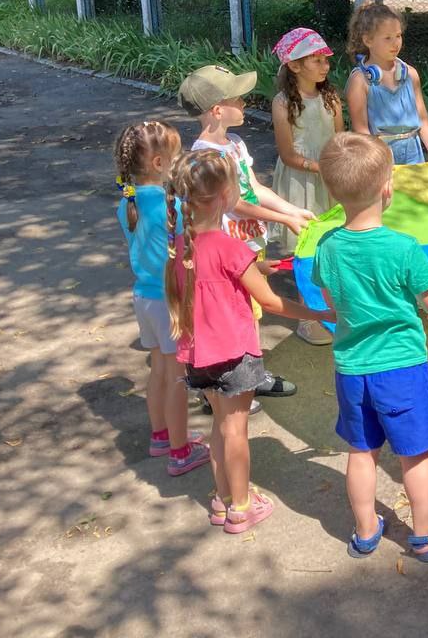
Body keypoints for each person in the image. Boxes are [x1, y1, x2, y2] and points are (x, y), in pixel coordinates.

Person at [313, 132, 428, 561]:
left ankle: (365, 531)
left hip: (351, 369)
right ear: (388, 188)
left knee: (362, 452)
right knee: (414, 454)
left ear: (332, 191)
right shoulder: (403, 248)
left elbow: (331, 300)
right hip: (400, 368)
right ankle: (424, 532)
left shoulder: (328, 247)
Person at [165, 149, 330, 532]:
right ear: (225, 198)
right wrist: (320, 314)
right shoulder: (231, 247)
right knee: (236, 430)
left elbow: (213, 275)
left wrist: (254, 268)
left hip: (198, 356)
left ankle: (224, 500)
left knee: (221, 427)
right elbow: (272, 302)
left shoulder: (181, 248)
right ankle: (242, 506)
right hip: (233, 355)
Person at [179, 64, 310, 402]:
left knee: (251, 311)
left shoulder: (234, 143)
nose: (245, 102)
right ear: (217, 110)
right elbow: (235, 204)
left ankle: (251, 375)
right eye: (238, 98)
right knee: (240, 312)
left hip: (251, 242)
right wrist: (282, 219)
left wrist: (289, 210)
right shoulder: (205, 156)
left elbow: (253, 188)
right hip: (230, 246)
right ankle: (231, 385)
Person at [114, 120, 210, 477]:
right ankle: (181, 450)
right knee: (176, 377)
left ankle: (162, 435)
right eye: (176, 154)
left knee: (158, 369)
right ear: (158, 164)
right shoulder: (171, 206)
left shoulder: (128, 203)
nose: (181, 158)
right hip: (171, 299)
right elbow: (190, 248)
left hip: (144, 297)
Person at [269, 28, 344, 347]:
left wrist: (339, 167)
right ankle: (308, 318)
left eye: (325, 58)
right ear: (295, 66)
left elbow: (339, 139)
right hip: (301, 180)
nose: (325, 65)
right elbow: (288, 154)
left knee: (332, 240)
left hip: (329, 176)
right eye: (316, 60)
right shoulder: (283, 102)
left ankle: (335, 308)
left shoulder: (331, 97)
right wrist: (320, 168)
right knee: (307, 245)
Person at [344, 3, 428, 165]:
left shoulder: (410, 74)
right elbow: (361, 130)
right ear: (368, 40)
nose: (395, 43)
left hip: (414, 153)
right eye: (387, 38)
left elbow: (423, 118)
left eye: (398, 35)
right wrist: (377, 160)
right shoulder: (360, 81)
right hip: (379, 154)